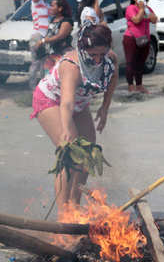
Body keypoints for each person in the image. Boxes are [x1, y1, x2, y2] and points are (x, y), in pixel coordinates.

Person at [30, 24, 118, 217]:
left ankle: (74, 205)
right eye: (92, 55)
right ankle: (64, 214)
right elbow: (66, 103)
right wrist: (67, 128)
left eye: (100, 55)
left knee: (88, 153)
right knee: (70, 154)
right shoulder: (71, 66)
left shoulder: (109, 59)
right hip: (52, 100)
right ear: (83, 49)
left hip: (79, 103)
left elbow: (113, 78)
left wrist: (104, 108)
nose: (96, 59)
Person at [123, 0, 158, 93]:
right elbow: (136, 20)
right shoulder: (131, 8)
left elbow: (154, 19)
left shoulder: (147, 8)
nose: (142, 0)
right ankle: (130, 85)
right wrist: (142, 10)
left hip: (144, 39)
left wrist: (146, 10)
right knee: (131, 62)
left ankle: (139, 85)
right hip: (131, 39)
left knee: (140, 63)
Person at [28, 0, 51, 80]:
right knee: (36, 64)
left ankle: (41, 88)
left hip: (45, 37)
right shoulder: (36, 2)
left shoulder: (47, 5)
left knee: (43, 65)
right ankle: (32, 88)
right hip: (37, 36)